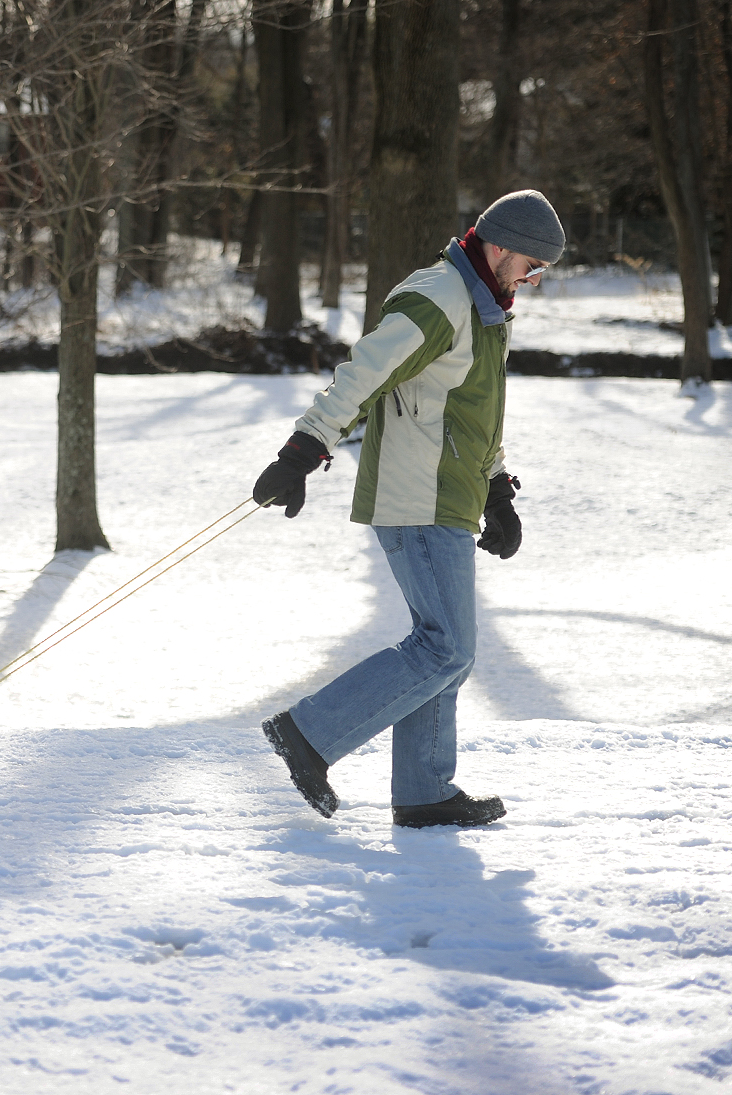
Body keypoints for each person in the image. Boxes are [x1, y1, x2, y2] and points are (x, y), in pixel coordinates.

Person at [252, 190, 565, 829]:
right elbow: (362, 373)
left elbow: (476, 412)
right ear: (498, 246)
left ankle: (423, 790)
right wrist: (305, 447)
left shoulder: (485, 308)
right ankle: (310, 732)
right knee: (447, 647)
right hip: (416, 495)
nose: (534, 279)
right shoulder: (438, 298)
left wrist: (497, 487)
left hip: (448, 495)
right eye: (531, 264)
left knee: (440, 645)